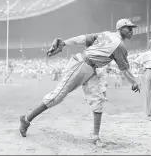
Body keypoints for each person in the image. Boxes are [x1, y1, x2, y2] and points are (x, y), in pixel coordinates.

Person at [19, 19, 141, 147]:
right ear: (120, 28)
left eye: (132, 28)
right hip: (81, 64)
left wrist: (64, 43)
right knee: (57, 97)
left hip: (92, 69)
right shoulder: (119, 45)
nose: (131, 30)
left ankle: (96, 137)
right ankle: (26, 120)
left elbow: (83, 38)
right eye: (128, 28)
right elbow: (124, 68)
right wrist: (134, 82)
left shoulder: (105, 34)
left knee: (98, 100)